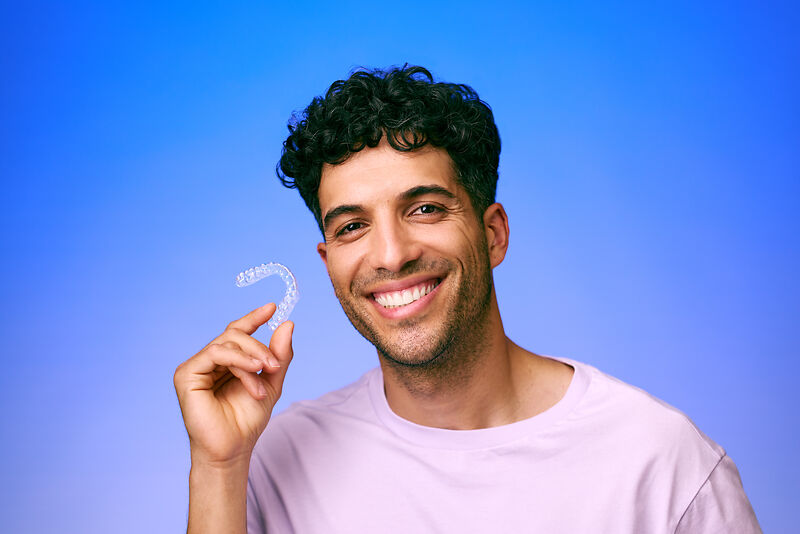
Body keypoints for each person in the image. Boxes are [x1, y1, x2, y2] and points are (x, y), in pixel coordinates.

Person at [174, 65, 761, 533]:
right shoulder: (270, 462)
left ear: (493, 233)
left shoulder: (660, 462)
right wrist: (220, 467)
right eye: (352, 226)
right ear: (328, 264)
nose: (390, 255)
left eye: (425, 209)